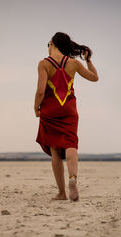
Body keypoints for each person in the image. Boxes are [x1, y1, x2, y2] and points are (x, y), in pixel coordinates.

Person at [34, 32, 99, 202]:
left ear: (52, 43)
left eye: (48, 44)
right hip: (69, 109)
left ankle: (62, 193)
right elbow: (94, 78)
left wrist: (36, 108)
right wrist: (89, 61)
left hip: (50, 111)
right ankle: (73, 178)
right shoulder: (74, 63)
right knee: (71, 143)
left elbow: (41, 91)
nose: (47, 47)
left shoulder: (43, 64)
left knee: (55, 149)